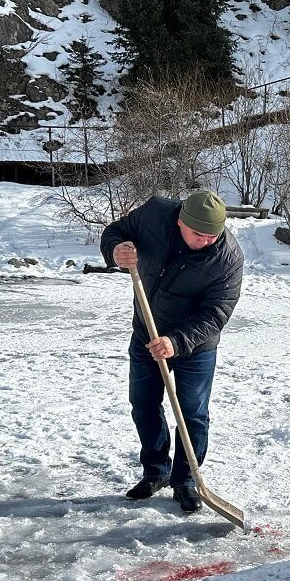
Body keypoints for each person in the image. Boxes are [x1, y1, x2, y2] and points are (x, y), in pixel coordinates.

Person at [100, 190, 244, 513]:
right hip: (146, 332)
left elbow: (216, 314)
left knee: (192, 412)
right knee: (143, 403)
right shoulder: (153, 215)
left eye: (213, 235)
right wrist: (115, 250)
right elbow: (114, 232)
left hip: (195, 344)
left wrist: (176, 342)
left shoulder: (228, 259)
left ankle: (186, 478)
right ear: (180, 221)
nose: (207, 241)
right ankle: (156, 470)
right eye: (198, 234)